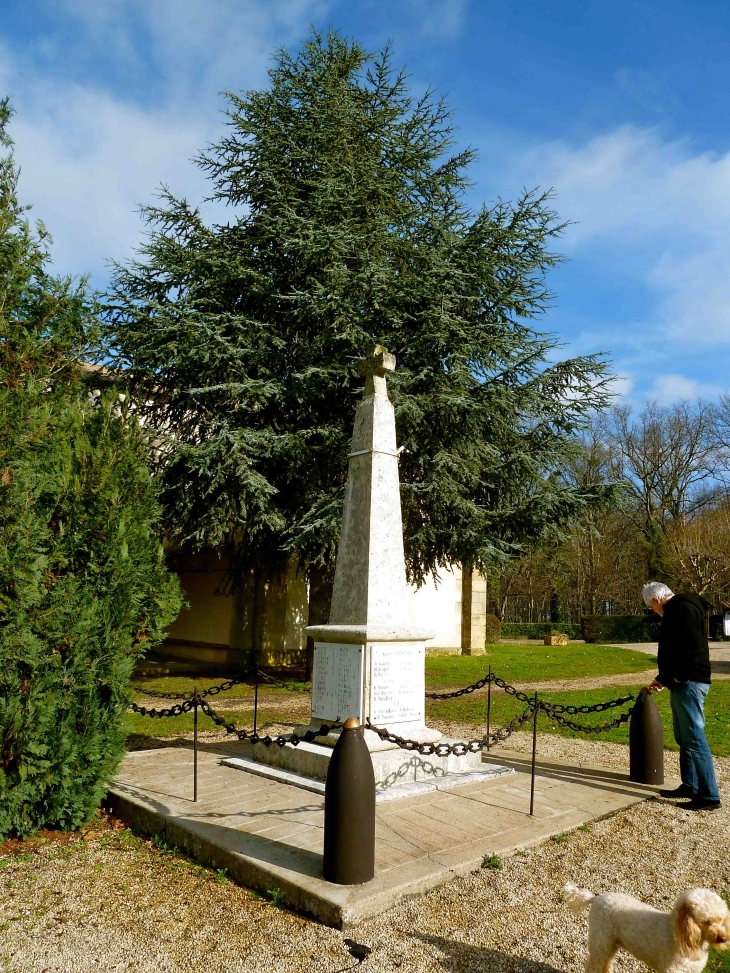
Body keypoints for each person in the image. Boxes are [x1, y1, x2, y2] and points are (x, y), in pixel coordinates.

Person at [642, 581, 721, 811]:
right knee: (684, 736)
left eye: (651, 607)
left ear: (656, 601)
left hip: (689, 682)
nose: (653, 611)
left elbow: (692, 647)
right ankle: (691, 784)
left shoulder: (682, 609)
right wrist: (663, 678)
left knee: (694, 738)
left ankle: (709, 796)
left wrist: (679, 677)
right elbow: (676, 650)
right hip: (683, 682)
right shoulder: (680, 608)